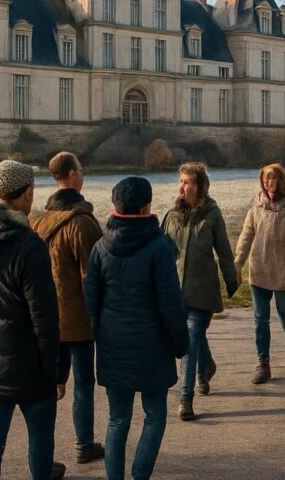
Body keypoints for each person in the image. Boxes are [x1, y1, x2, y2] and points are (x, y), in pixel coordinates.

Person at [0, 160, 63, 480]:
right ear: (25, 195)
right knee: (40, 441)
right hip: (32, 366)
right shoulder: (30, 246)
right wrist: (56, 370)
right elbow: (44, 316)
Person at [85, 177, 187, 480]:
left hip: (114, 345)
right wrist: (181, 344)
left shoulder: (101, 246)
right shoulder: (159, 247)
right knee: (155, 416)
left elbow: (91, 301)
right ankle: (140, 475)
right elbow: (171, 303)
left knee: (118, 420)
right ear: (147, 207)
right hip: (152, 347)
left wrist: (101, 338)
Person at [30, 152, 104, 465]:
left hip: (47, 319)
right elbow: (94, 277)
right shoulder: (83, 224)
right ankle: (83, 443)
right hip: (79, 322)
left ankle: (42, 454)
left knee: (50, 386)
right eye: (81, 170)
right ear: (72, 175)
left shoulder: (37, 222)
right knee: (84, 385)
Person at [162, 162, 238, 421]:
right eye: (181, 181)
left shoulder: (212, 215)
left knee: (191, 338)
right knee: (193, 339)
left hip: (203, 291)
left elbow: (225, 252)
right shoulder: (172, 215)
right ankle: (206, 367)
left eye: (189, 182)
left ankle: (185, 398)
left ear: (202, 186)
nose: (183, 187)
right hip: (176, 291)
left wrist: (232, 280)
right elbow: (160, 252)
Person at [235, 164, 285, 384]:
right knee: (260, 319)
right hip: (259, 270)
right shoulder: (256, 207)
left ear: (281, 180)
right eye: (266, 179)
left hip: (284, 271)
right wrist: (237, 264)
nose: (269, 182)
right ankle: (263, 364)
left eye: (273, 178)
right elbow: (246, 236)